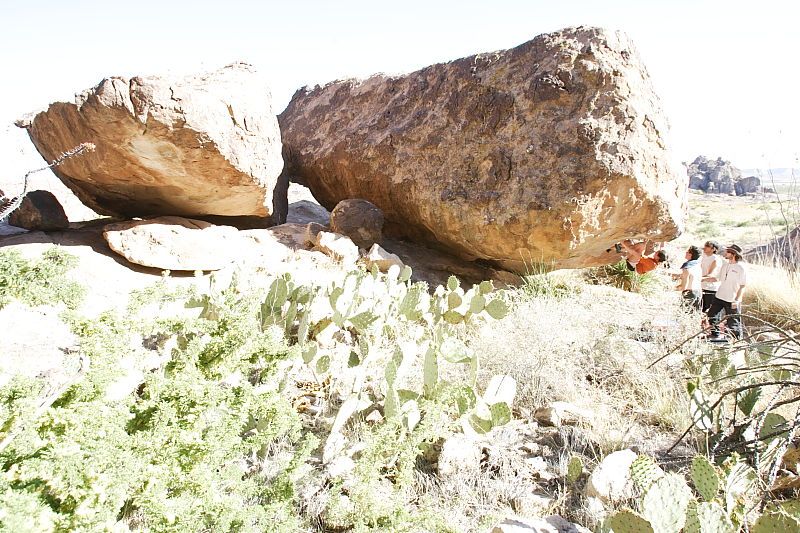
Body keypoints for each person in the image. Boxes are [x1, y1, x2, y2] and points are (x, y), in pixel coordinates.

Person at [704, 244, 748, 340]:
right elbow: (717, 279)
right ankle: (715, 334)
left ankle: (735, 340)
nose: (725, 253)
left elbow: (743, 285)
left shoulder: (741, 268)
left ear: (734, 254)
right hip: (719, 296)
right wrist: (702, 279)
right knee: (711, 314)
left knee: (733, 321)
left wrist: (737, 300)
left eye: (728, 252)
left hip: (732, 299)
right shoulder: (725, 265)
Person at [700, 240, 724, 324]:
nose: (704, 248)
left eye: (707, 246)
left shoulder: (716, 259)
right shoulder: (704, 257)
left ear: (713, 249)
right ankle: (703, 330)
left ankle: (714, 332)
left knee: (711, 312)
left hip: (711, 288)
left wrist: (699, 278)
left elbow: (712, 274)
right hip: (702, 286)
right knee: (701, 310)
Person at [674, 245, 702, 309]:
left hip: (689, 294)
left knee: (684, 314)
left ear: (691, 254)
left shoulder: (687, 267)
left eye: (688, 252)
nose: (686, 252)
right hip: (698, 292)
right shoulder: (697, 264)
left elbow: (683, 287)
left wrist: (670, 289)